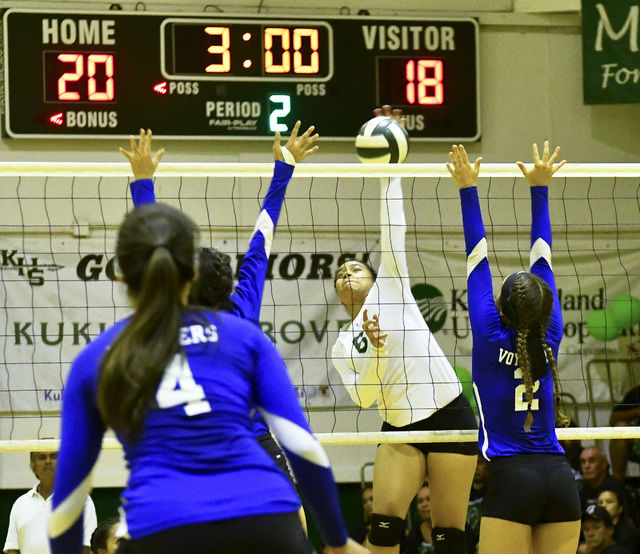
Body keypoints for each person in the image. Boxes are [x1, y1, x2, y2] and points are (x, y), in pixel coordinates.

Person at [48, 202, 367, 554]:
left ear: (122, 274)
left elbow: (68, 497)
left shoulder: (100, 355)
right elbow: (303, 446)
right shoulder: (242, 335)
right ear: (190, 277)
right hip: (262, 513)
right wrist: (337, 541)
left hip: (164, 522)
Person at [120, 124, 318, 525]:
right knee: (292, 525)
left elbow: (151, 247)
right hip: (254, 441)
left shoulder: (169, 314)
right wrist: (284, 171)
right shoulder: (242, 306)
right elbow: (263, 236)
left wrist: (143, 182)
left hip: (200, 445)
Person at [332, 106, 478, 554]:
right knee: (383, 529)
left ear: (374, 278)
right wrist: (374, 350)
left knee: (449, 534)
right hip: (399, 425)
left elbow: (393, 225)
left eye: (355, 266)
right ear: (340, 298)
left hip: (448, 409)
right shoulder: (342, 345)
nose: (346, 272)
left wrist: (388, 170)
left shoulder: (392, 287)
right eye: (339, 274)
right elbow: (364, 398)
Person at [447, 141, 581, 553]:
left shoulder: (490, 334)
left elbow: (476, 256)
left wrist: (468, 188)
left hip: (511, 478)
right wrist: (539, 188)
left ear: (501, 307)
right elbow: (543, 258)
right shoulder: (550, 332)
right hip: (560, 479)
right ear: (544, 307)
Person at [4, 450, 96, 554]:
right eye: (42, 457)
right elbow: (13, 548)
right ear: (34, 467)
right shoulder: (20, 503)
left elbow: (85, 547)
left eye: (54, 456)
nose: (48, 461)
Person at [580, 446, 630, 512]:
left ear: (603, 464)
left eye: (592, 461)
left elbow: (628, 518)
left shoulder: (615, 487)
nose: (586, 466)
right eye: (583, 462)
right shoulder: (580, 488)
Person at [609, 385, 640, 482]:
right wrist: (636, 412)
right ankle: (618, 485)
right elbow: (613, 419)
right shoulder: (637, 392)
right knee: (620, 428)